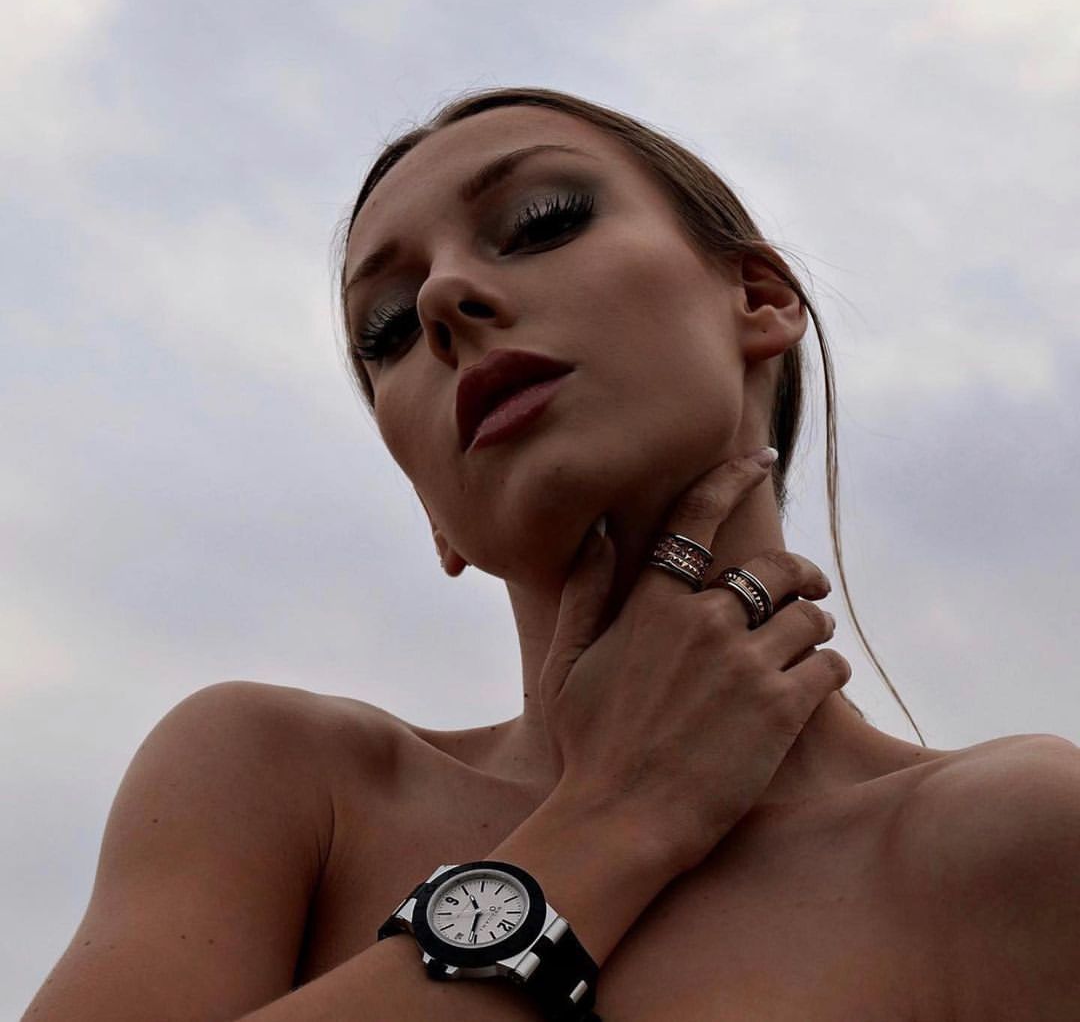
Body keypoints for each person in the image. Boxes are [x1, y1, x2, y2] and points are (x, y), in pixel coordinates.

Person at [24, 87, 1078, 1022]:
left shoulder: (1018, 840)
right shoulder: (281, 783)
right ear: (433, 511)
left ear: (759, 299)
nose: (441, 300)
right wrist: (612, 817)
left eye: (542, 221)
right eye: (388, 329)